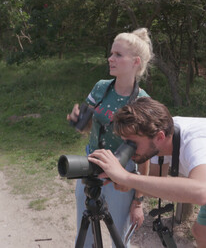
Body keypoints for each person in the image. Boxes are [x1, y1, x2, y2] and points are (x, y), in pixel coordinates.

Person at [88, 97, 206, 248]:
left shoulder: (197, 143)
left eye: (132, 143)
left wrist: (127, 177)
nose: (128, 148)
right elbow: (156, 182)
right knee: (201, 233)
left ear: (160, 137)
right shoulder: (158, 139)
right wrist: (129, 184)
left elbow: (200, 192)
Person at [67, 28, 154, 247]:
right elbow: (87, 129)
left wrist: (138, 202)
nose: (110, 58)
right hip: (90, 168)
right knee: (84, 233)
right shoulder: (100, 87)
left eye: (118, 55)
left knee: (119, 237)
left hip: (121, 177)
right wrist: (78, 121)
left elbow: (143, 157)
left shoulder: (143, 103)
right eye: (111, 53)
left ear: (135, 62)